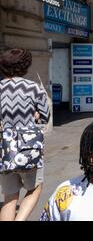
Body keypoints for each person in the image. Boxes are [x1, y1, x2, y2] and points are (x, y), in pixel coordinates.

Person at [0, 49, 50, 221]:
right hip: (28, 147)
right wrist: (35, 115)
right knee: (35, 187)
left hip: (4, 149)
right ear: (25, 66)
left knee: (9, 196)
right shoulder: (33, 88)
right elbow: (45, 115)